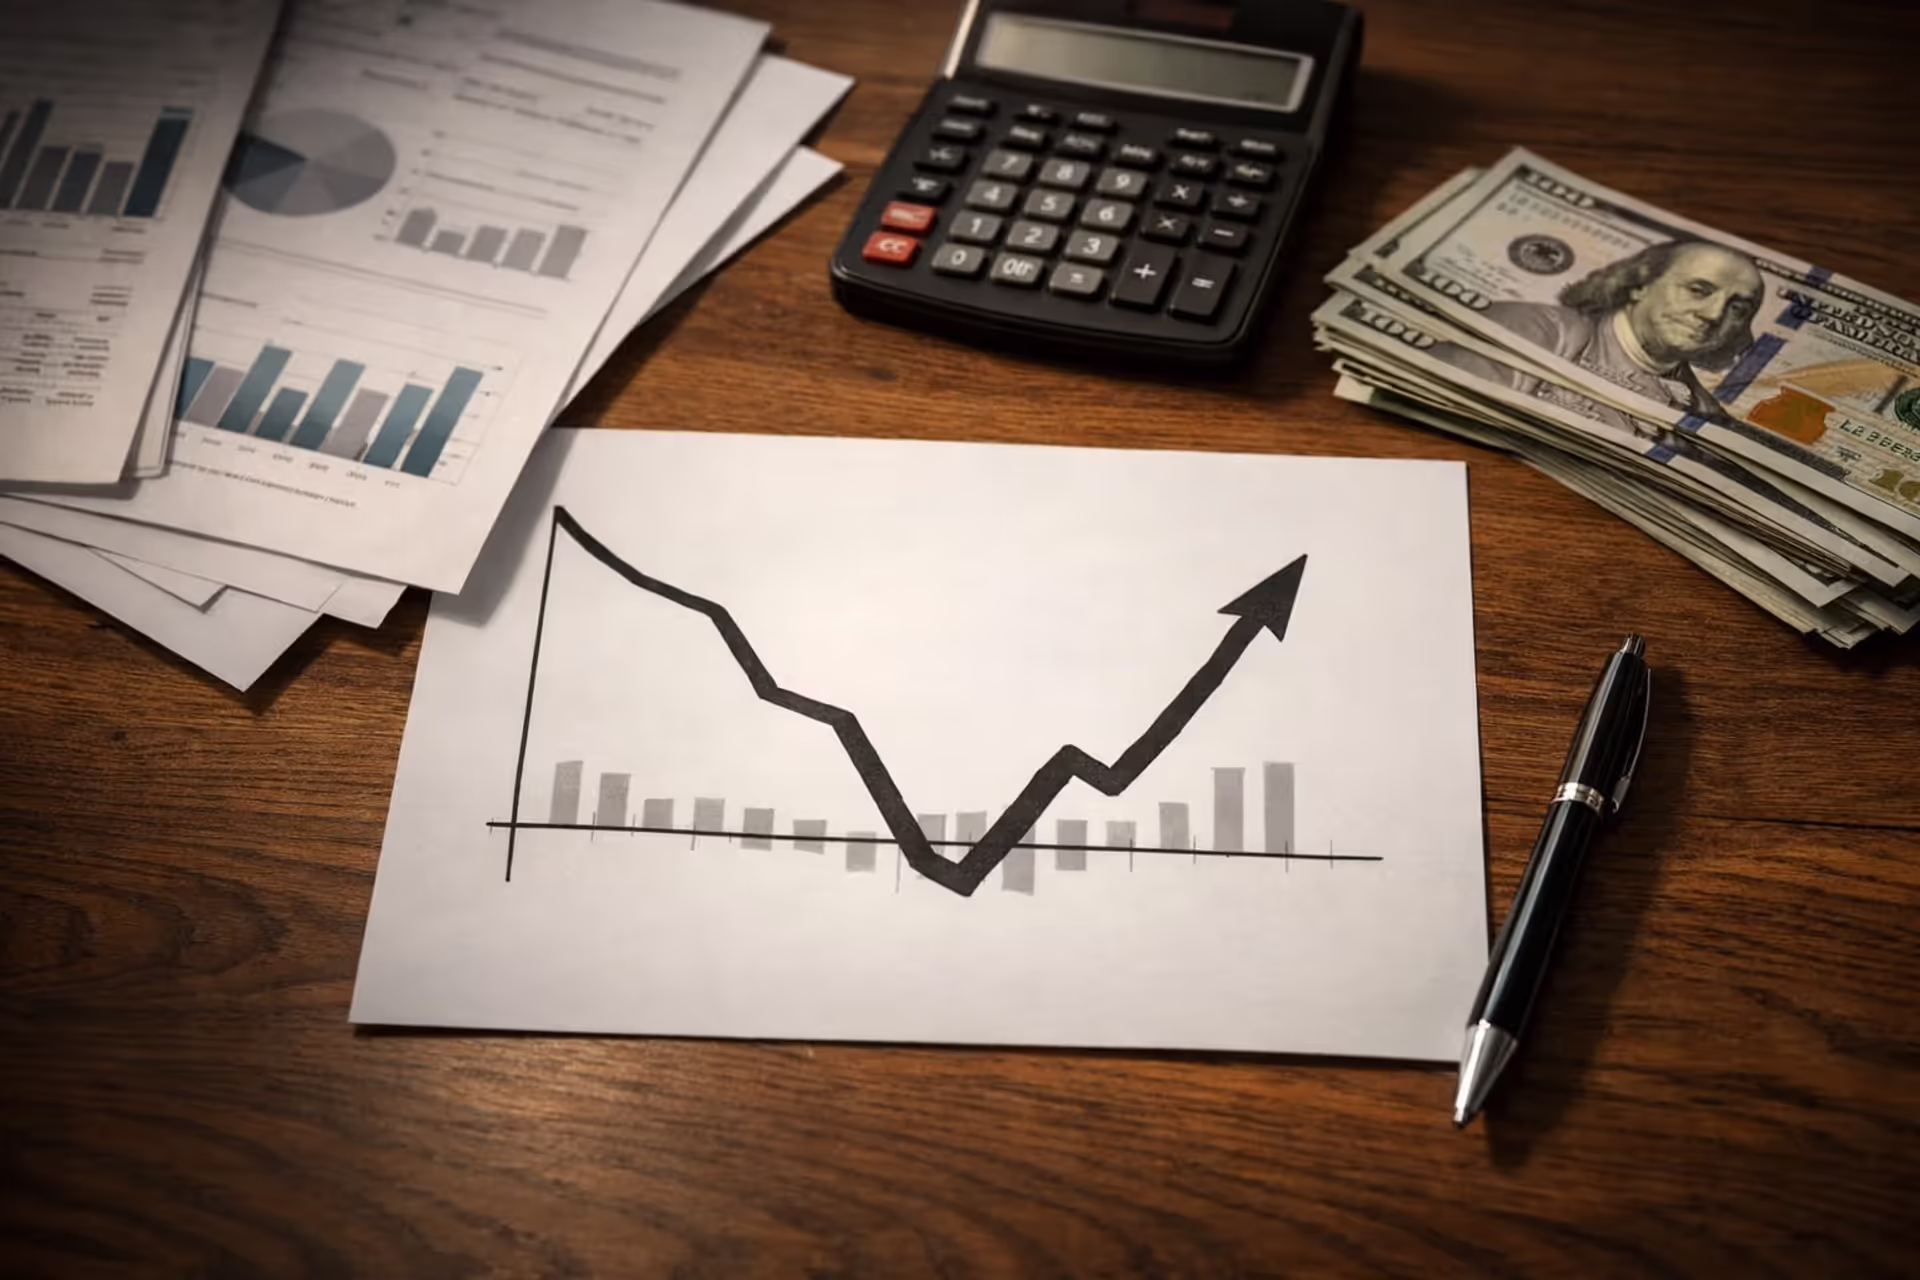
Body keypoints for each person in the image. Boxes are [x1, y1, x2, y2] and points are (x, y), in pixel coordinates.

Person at [1431, 240, 1765, 431]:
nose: (1713, 314)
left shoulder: (1706, 415)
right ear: (1641, 284)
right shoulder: (1532, 327)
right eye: (1698, 290)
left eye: (1737, 308)